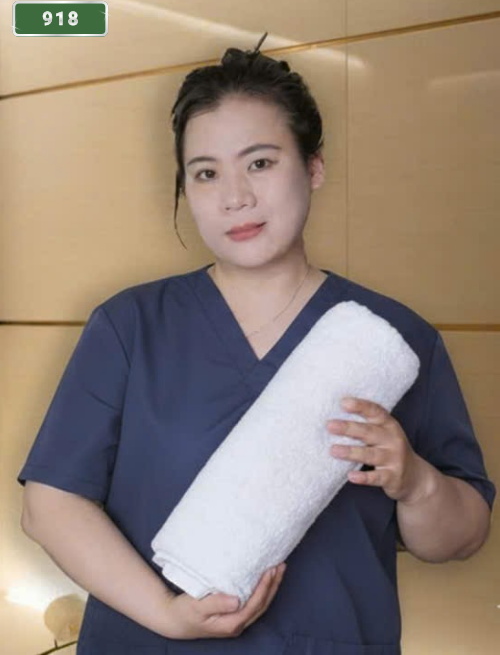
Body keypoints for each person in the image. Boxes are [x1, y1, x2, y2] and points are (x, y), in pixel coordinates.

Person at [18, 33, 496, 655]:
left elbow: (462, 537)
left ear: (314, 167)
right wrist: (167, 614)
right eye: (206, 173)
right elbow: (50, 504)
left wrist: (415, 482)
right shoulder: (131, 326)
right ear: (186, 190)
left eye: (261, 163)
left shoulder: (391, 343)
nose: (235, 196)